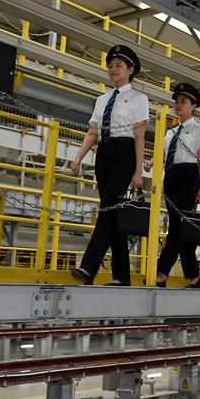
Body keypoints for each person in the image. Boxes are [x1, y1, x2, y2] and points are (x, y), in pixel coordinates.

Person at [70, 44, 149, 286]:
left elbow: (139, 136)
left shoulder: (138, 98)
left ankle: (88, 267)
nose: (113, 70)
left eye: (119, 66)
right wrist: (78, 157)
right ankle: (121, 276)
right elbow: (92, 132)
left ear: (130, 69)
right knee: (112, 212)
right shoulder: (101, 99)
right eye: (111, 66)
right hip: (104, 152)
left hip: (125, 151)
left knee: (108, 209)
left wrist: (138, 171)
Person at [155, 82, 200, 288]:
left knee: (177, 227)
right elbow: (164, 155)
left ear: (193, 105)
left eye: (183, 101)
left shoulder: (199, 130)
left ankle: (161, 272)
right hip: (171, 176)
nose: (178, 105)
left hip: (188, 175)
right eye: (176, 102)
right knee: (180, 228)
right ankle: (193, 277)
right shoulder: (170, 132)